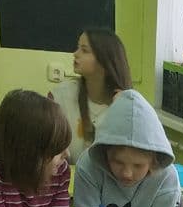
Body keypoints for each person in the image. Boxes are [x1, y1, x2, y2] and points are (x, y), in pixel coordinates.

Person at [73, 89, 179, 207]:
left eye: (138, 166)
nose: (127, 173)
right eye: (117, 162)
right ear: (104, 153)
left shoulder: (167, 177)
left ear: (153, 161)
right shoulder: (89, 165)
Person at [50, 28, 133, 164]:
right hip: (68, 173)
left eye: (84, 50)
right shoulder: (62, 94)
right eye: (78, 48)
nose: (75, 54)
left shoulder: (127, 104)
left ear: (104, 60)